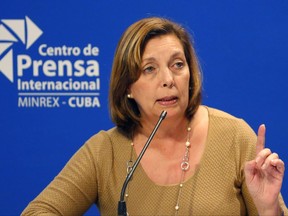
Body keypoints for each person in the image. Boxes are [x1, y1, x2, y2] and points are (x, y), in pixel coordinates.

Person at [22, 17, 287, 215]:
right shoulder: (105, 152)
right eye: (149, 69)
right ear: (127, 86)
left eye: (178, 65)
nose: (168, 80)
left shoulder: (235, 136)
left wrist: (269, 210)